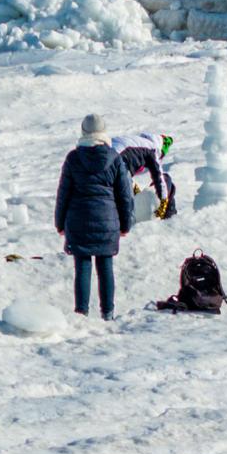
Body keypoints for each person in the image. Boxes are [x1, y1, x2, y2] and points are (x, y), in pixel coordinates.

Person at [55, 113, 134, 321]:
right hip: (107, 221)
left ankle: (81, 313)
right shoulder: (114, 158)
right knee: (105, 266)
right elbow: (124, 196)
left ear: (83, 131)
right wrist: (126, 224)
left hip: (78, 220)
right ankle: (108, 313)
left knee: (83, 267)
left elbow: (63, 194)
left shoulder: (73, 158)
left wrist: (59, 223)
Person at [111, 131, 176, 218]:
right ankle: (167, 218)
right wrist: (164, 200)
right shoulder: (152, 149)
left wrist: (133, 187)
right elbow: (159, 178)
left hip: (101, 160)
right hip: (116, 165)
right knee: (167, 180)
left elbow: (125, 165)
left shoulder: (136, 142)